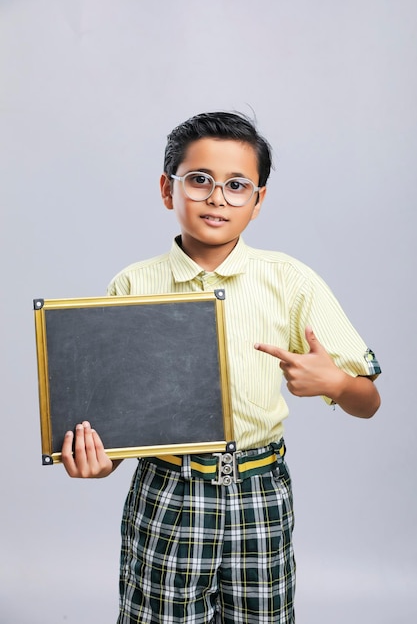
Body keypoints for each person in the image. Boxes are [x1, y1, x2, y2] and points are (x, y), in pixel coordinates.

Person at [61, 111, 381, 624]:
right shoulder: (132, 285)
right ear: (168, 189)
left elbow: (368, 401)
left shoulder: (291, 281)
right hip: (167, 493)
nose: (217, 198)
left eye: (237, 185)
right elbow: (117, 422)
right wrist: (100, 458)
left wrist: (338, 383)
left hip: (260, 493)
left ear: (258, 202)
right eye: (199, 181)